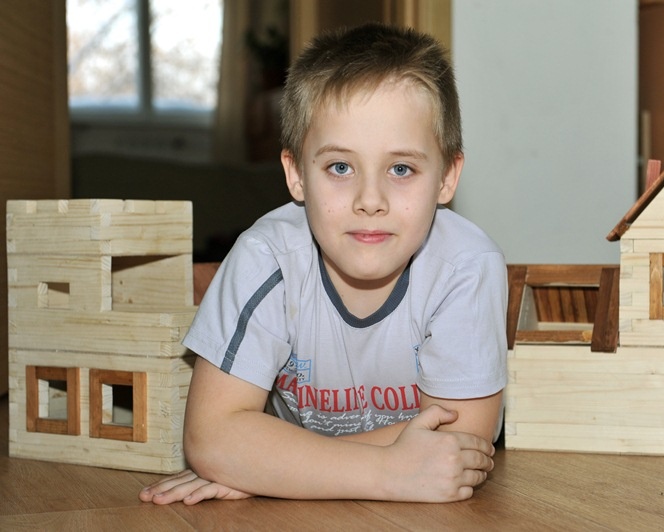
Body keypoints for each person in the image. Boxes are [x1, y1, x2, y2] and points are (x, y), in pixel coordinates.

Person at [139, 22, 508, 505]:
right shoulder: (264, 258)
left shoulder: (466, 267)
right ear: (296, 174)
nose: (370, 200)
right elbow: (212, 438)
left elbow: (461, 444)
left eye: (401, 168)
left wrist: (266, 466)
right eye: (340, 167)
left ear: (447, 177)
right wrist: (386, 472)